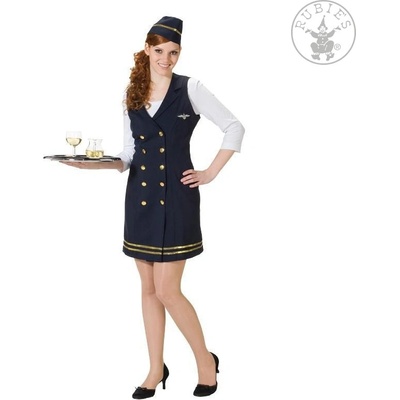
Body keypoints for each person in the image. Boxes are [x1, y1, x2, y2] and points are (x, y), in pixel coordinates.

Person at [62, 15, 245, 398]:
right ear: (147, 49)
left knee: (167, 290)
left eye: (173, 52)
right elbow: (128, 155)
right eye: (160, 51)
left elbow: (234, 127)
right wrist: (93, 166)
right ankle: (154, 368)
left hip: (178, 200)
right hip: (140, 202)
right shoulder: (132, 94)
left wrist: (210, 172)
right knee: (148, 289)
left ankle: (205, 362)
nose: (166, 59)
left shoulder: (190, 88)